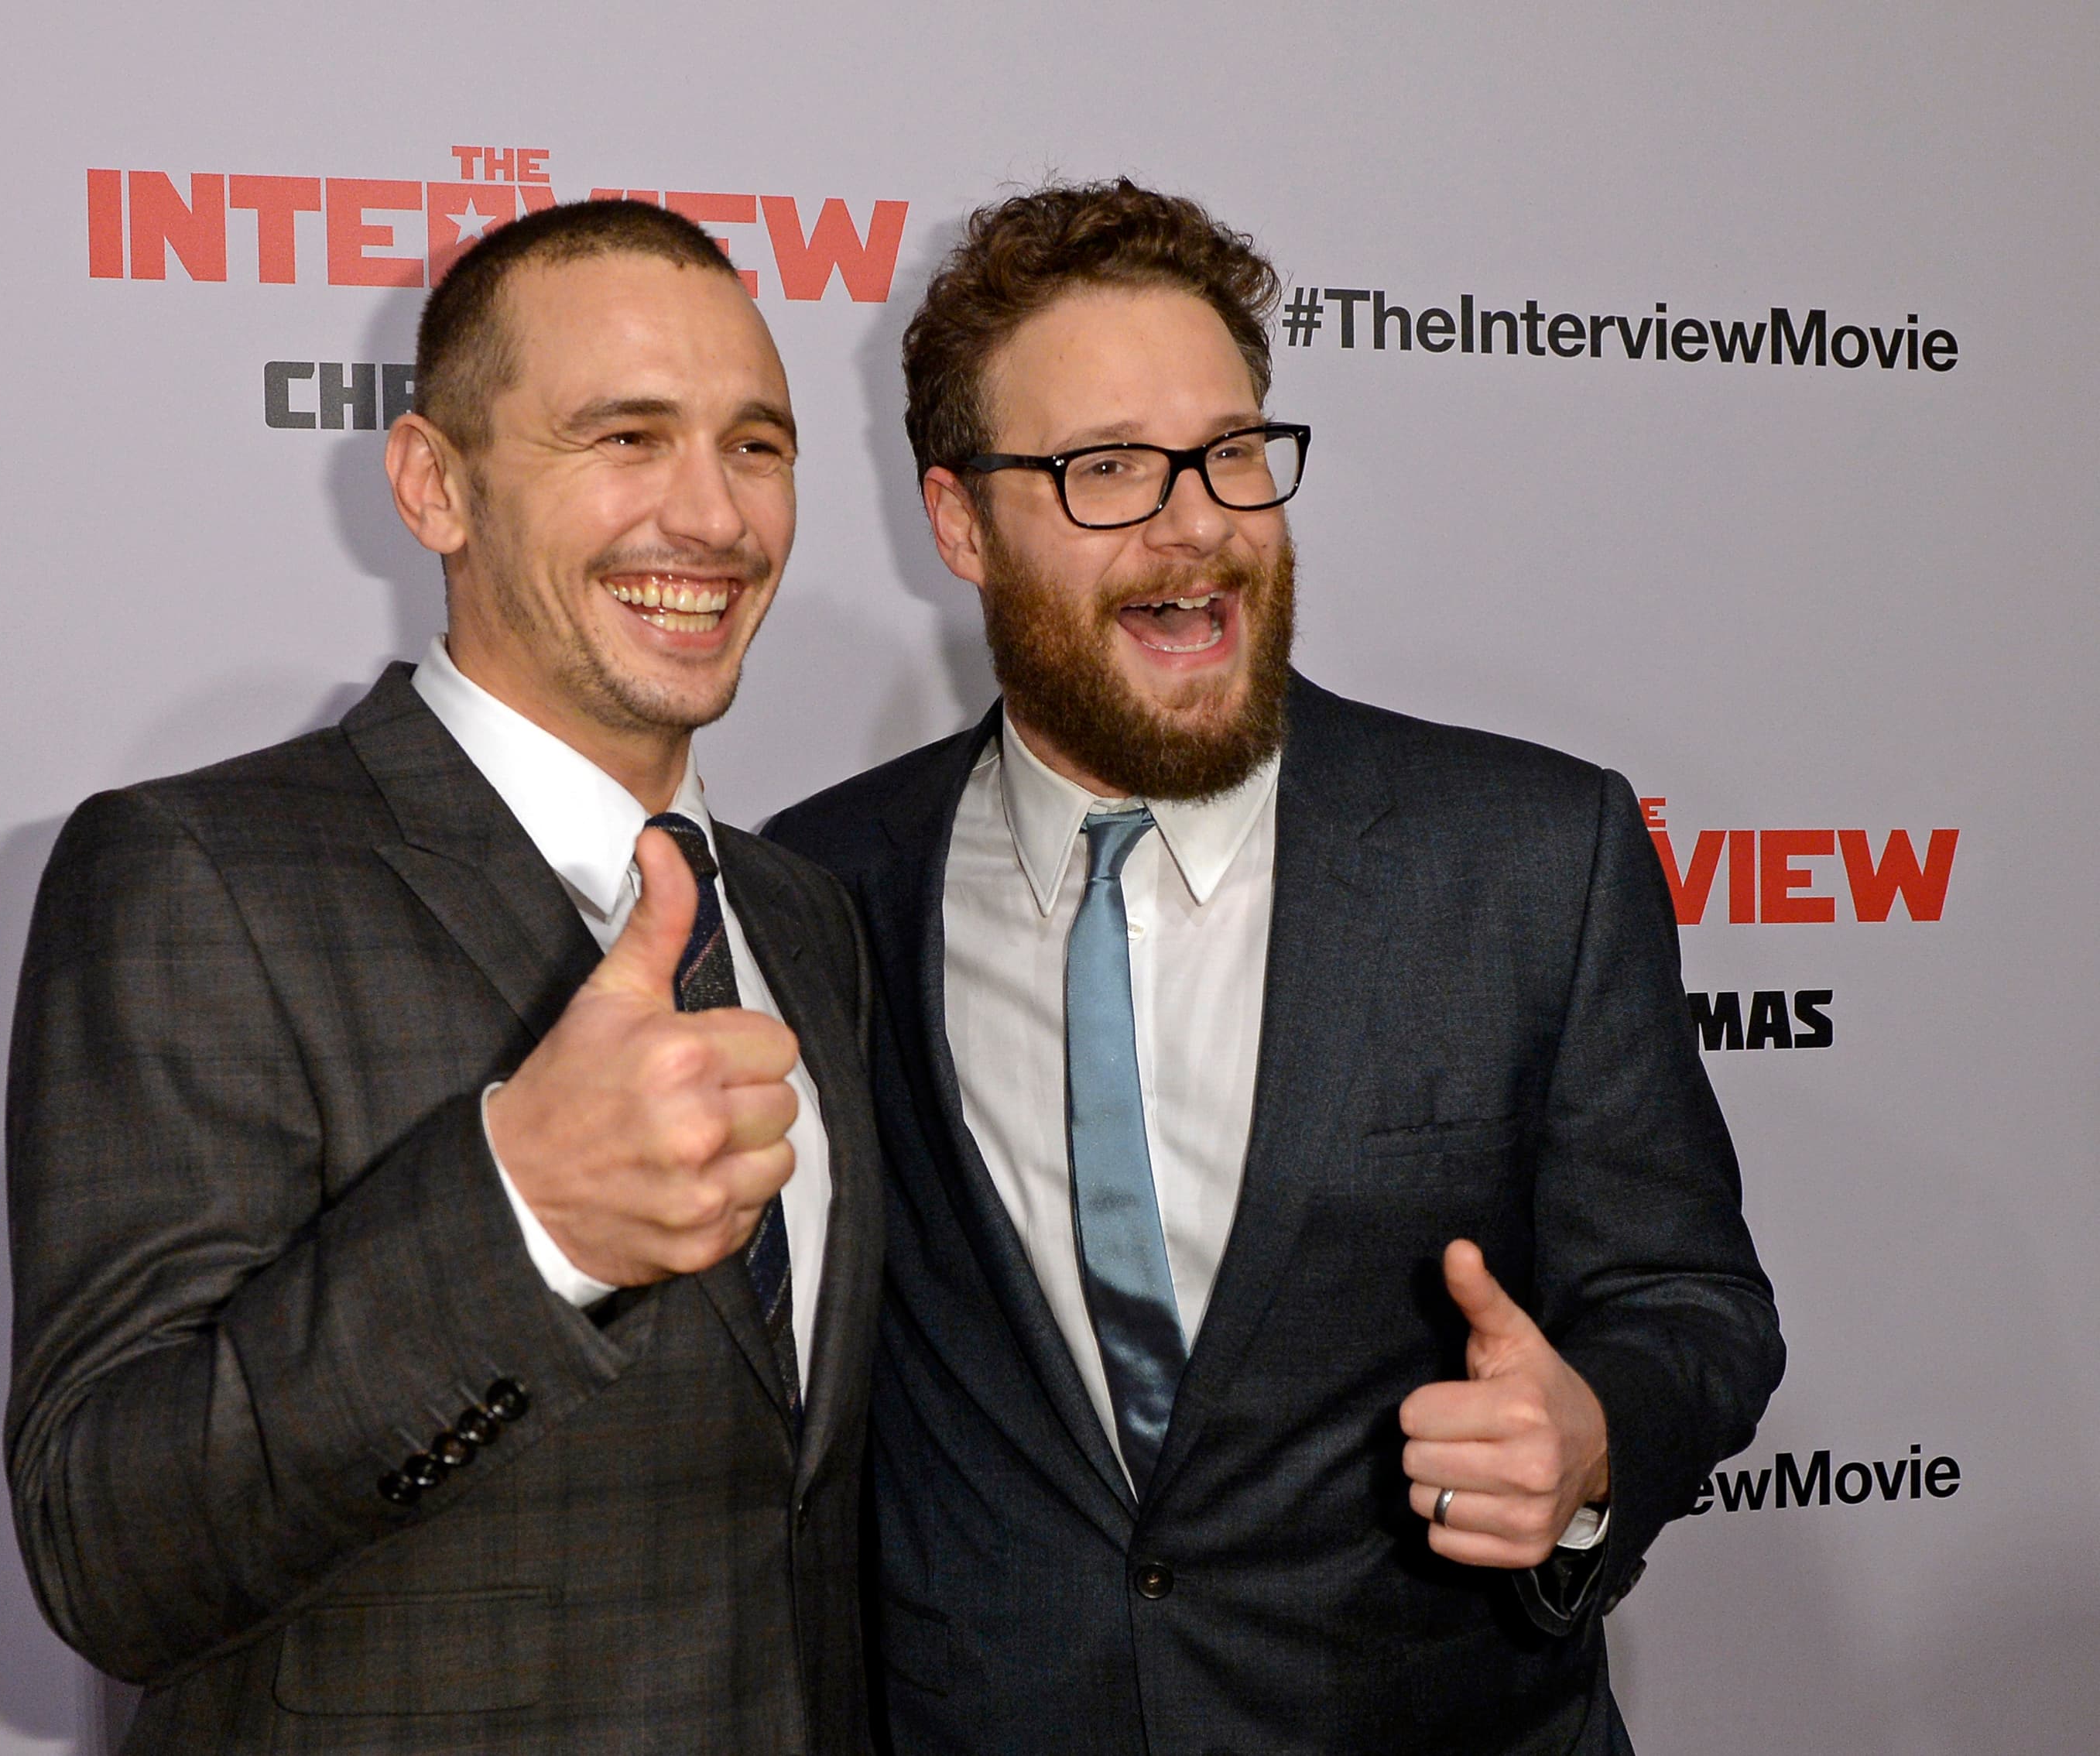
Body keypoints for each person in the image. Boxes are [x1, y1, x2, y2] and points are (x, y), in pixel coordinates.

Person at [763, 180, 1783, 1754]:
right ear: (959, 523)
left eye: (1232, 451)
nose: (1198, 524)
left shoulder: (1528, 855)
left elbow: (1689, 1303)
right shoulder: (824, 884)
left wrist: (1594, 1436)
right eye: (1109, 468)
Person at [5, 200, 882, 1754]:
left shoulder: (804, 916)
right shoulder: (199, 873)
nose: (714, 515)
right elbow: (107, 1548)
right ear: (433, 484)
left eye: (758, 446)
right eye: (626, 437)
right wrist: (519, 1215)